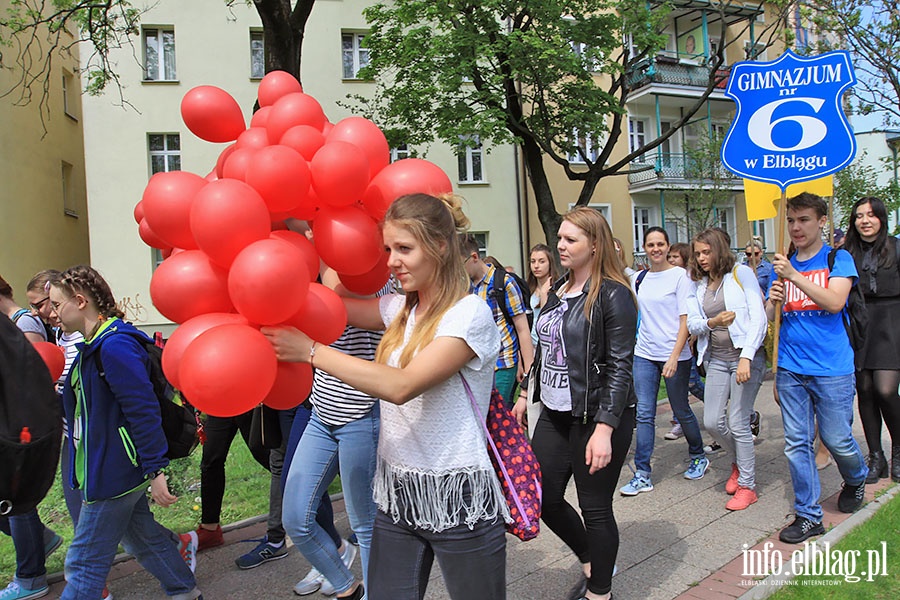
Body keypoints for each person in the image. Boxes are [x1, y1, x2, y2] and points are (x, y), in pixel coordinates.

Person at [265, 193, 507, 600]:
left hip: (458, 497)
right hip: (397, 495)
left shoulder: (469, 315)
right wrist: (293, 272)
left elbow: (401, 386)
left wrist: (310, 351)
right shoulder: (400, 309)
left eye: (404, 249)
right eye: (388, 248)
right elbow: (331, 305)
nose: (391, 260)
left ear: (441, 246)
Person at [48, 266, 201, 600]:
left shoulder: (114, 346)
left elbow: (143, 411)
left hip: (114, 474)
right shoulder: (96, 343)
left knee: (83, 563)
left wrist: (156, 469)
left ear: (80, 300)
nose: (52, 313)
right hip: (111, 468)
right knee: (143, 540)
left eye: (57, 305)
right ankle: (185, 591)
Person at [513, 208, 636, 600]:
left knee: (595, 508)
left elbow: (620, 368)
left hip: (596, 414)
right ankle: (590, 559)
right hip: (554, 411)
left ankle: (600, 592)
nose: (560, 245)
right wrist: (523, 395)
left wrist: (604, 429)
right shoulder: (556, 292)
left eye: (570, 240)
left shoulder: (613, 295)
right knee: (543, 497)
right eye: (560, 238)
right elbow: (545, 352)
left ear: (595, 245)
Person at [766, 193, 869, 544]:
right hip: (791, 368)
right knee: (797, 443)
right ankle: (809, 515)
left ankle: (856, 477)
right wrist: (773, 301)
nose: (795, 227)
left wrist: (794, 275)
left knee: (838, 440)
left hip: (832, 369)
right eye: (791, 220)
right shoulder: (782, 265)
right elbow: (771, 319)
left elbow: (834, 301)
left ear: (822, 221)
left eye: (804, 220)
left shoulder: (838, 259)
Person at [282, 274, 390, 598]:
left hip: (362, 415)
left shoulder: (371, 275)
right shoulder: (309, 270)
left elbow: (339, 305)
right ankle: (347, 587)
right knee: (295, 518)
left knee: (365, 525)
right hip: (320, 413)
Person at [621, 227, 709, 496]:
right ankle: (643, 473)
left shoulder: (681, 277)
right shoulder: (640, 278)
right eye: (650, 244)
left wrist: (674, 356)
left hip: (675, 356)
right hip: (644, 354)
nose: (655, 249)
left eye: (660, 244)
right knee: (644, 412)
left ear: (668, 248)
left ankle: (698, 455)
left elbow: (685, 319)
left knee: (681, 409)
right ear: (644, 247)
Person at [686, 229, 768, 511]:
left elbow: (758, 317)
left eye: (706, 252)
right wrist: (713, 322)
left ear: (719, 250)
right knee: (711, 422)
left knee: (738, 422)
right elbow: (693, 324)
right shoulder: (699, 283)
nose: (701, 258)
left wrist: (747, 356)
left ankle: (747, 485)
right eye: (697, 253)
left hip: (746, 358)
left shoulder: (741, 273)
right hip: (716, 359)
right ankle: (740, 461)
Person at [0, 274, 60, 600]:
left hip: (22, 427)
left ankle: (31, 576)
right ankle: (41, 541)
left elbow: (36, 377)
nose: (41, 312)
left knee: (15, 498)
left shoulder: (22, 324)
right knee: (12, 500)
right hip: (15, 424)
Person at [843, 197, 900, 483]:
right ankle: (876, 455)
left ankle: (899, 450)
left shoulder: (896, 248)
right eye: (859, 216)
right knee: (864, 389)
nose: (864, 220)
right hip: (861, 323)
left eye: (870, 215)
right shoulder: (846, 253)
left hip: (892, 322)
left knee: (886, 389)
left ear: (881, 218)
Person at [461, 235, 534, 405]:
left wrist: (529, 375)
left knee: (498, 421)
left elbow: (522, 328)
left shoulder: (503, 283)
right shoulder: (465, 287)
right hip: (477, 365)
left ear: (473, 257)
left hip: (503, 363)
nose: (458, 271)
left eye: (460, 265)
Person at [662, 244, 707, 442]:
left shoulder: (688, 280)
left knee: (692, 384)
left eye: (675, 257)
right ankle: (678, 419)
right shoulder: (667, 278)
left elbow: (691, 312)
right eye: (669, 257)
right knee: (680, 387)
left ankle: (718, 405)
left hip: (686, 342)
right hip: (669, 342)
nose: (671, 260)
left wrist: (692, 336)